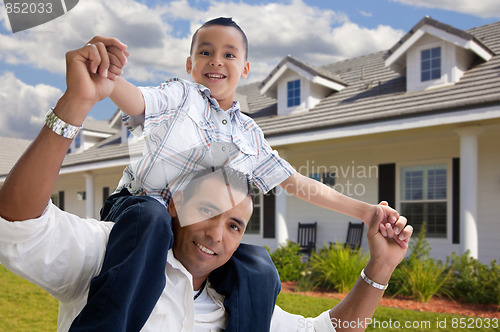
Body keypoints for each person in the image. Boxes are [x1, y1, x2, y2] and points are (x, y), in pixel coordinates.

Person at [0, 19, 412, 331]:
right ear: (190, 63)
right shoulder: (180, 97)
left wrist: (365, 213)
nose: (216, 61)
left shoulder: (249, 134)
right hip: (138, 214)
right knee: (150, 220)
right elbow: (137, 99)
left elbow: (295, 182)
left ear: (246, 68)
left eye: (229, 55)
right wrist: (102, 85)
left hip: (176, 222)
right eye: (206, 52)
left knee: (259, 267)